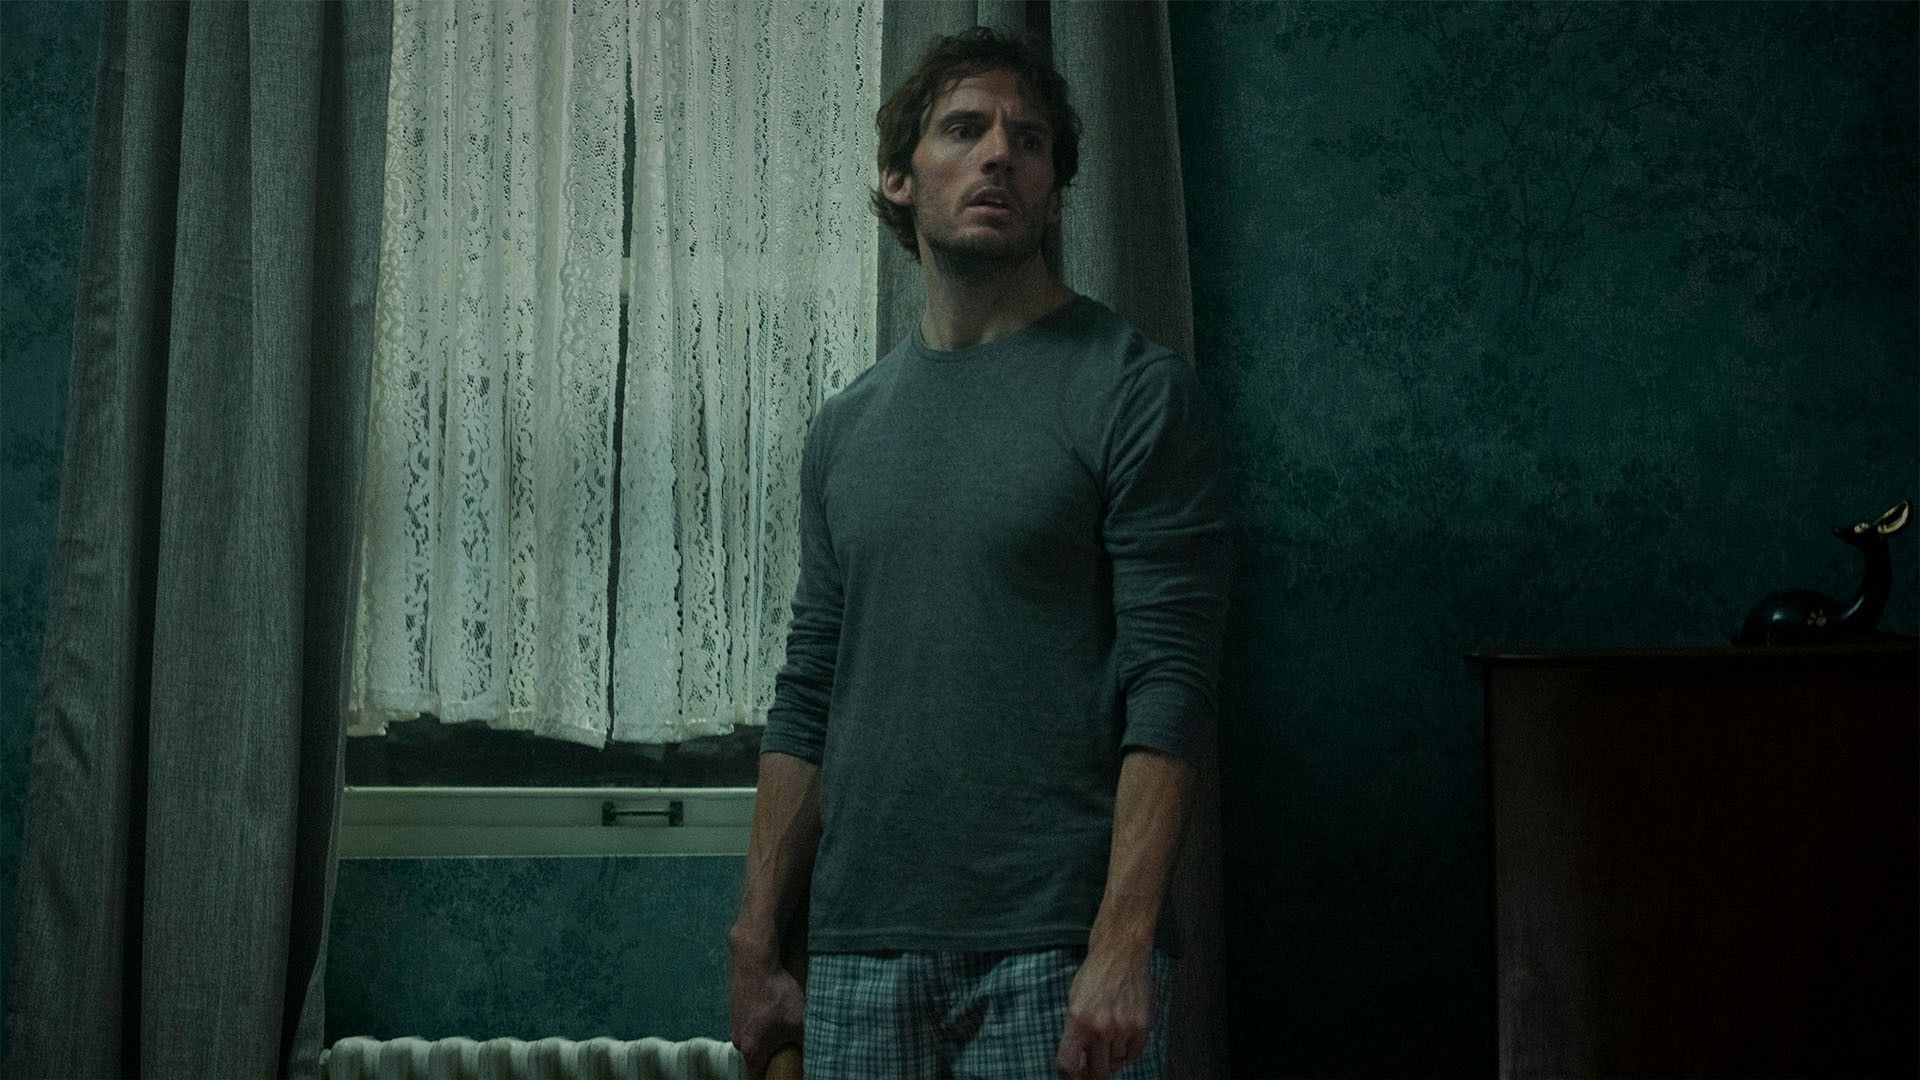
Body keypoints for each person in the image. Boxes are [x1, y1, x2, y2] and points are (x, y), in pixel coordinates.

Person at [728, 25, 1232, 1080]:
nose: (1000, 152)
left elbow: (1172, 687)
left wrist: (1122, 944)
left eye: (1029, 140)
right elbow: (810, 691)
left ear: (1053, 198)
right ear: (899, 179)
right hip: (859, 950)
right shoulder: (847, 427)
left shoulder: (1134, 390)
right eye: (965, 129)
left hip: (1056, 953)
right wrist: (758, 936)